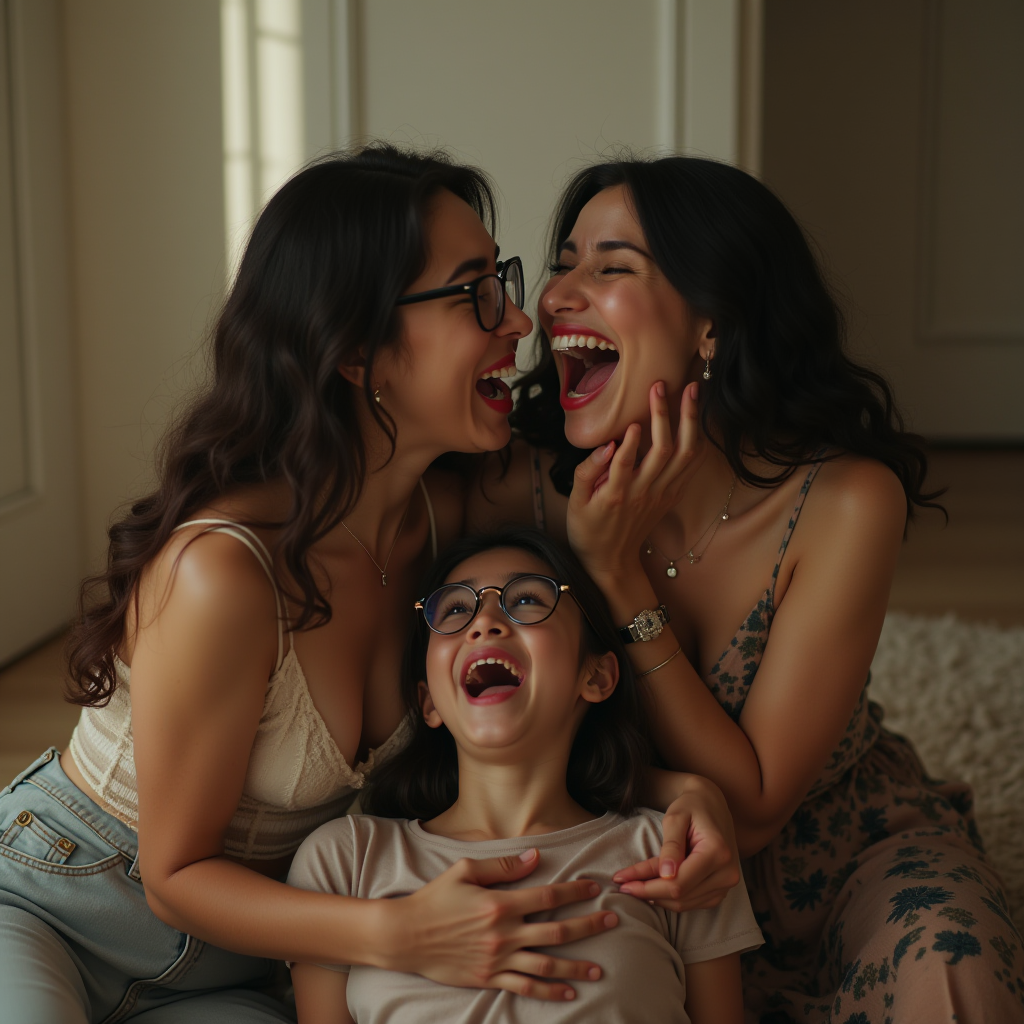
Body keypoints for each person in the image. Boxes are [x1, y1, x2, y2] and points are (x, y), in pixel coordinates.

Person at [0, 145, 739, 1024]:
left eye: (499, 282)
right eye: (475, 294)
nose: (518, 324)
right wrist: (404, 938)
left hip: (254, 959)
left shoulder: (449, 522)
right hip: (60, 905)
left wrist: (682, 792)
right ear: (356, 351)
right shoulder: (225, 572)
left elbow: (529, 719)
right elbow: (176, 876)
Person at [469, 155, 1023, 1022]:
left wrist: (612, 574)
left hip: (847, 854)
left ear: (713, 324)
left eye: (611, 267)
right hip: (622, 868)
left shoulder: (840, 501)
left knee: (954, 968)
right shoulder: (521, 486)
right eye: (564, 262)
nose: (557, 297)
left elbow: (756, 808)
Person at [287, 528, 762, 1023]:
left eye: (528, 599)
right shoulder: (347, 861)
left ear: (596, 676)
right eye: (454, 609)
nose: (485, 621)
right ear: (428, 702)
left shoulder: (675, 856)